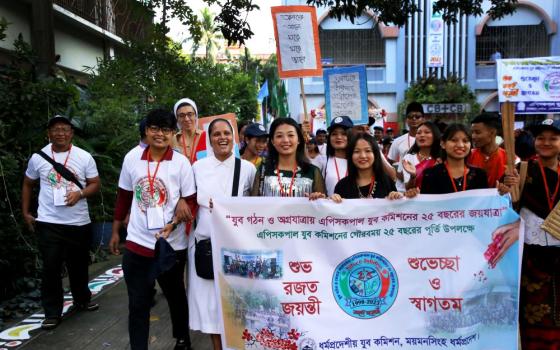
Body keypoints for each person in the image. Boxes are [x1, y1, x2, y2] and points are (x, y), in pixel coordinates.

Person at [109, 109, 195, 350]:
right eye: (155, 128)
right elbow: (124, 197)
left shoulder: (181, 163)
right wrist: (116, 231)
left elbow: (191, 201)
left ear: (173, 134)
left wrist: (175, 222)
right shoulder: (131, 158)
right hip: (137, 243)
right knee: (138, 303)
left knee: (175, 295)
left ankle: (182, 338)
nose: (160, 134)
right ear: (146, 131)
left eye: (166, 129)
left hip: (170, 245)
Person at [22, 115, 101, 330]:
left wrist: (81, 194)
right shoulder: (38, 157)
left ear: (71, 133)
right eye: (56, 129)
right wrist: (26, 212)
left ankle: (82, 299)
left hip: (78, 222)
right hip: (48, 222)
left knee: (79, 265)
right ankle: (52, 312)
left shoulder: (84, 157)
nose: (60, 133)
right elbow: (28, 184)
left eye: (65, 129)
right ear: (49, 134)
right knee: (51, 268)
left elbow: (95, 183)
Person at [189, 118, 256, 350]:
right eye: (216, 134)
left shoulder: (247, 168)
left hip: (237, 248)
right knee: (211, 309)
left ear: (234, 137)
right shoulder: (198, 168)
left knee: (238, 306)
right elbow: (188, 200)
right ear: (210, 139)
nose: (222, 138)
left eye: (226, 133)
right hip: (206, 245)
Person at [518, 119, 560, 349]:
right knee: (530, 315)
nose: (546, 143)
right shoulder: (521, 170)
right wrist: (507, 190)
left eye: (553, 138)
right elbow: (510, 206)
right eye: (540, 138)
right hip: (530, 260)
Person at [421, 124, 511, 194]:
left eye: (465, 141)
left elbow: (485, 206)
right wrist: (412, 195)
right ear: (443, 144)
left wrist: (500, 194)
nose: (460, 145)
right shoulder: (430, 174)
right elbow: (426, 208)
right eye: (454, 140)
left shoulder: (479, 175)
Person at [251, 117, 326, 197]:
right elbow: (254, 205)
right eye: (279, 136)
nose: (286, 140)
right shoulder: (263, 170)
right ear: (272, 141)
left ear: (299, 140)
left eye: (290, 135)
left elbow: (322, 205)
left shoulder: (313, 172)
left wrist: (318, 198)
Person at [331, 133, 412, 201]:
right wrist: (332, 202)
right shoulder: (342, 186)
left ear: (375, 154)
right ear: (350, 155)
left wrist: (396, 197)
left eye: (368, 151)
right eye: (356, 151)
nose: (362, 156)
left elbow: (396, 214)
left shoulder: (386, 181)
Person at [469, 112, 517, 187]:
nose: (473, 136)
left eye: (477, 132)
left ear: (492, 133)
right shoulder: (469, 156)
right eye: (472, 132)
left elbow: (514, 187)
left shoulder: (511, 158)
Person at [388, 102, 426, 191]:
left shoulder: (429, 140)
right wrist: (398, 174)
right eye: (410, 116)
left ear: (423, 119)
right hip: (401, 189)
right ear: (406, 119)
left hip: (423, 187)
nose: (414, 119)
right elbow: (390, 163)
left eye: (417, 116)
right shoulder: (398, 141)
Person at [399, 121, 441, 191]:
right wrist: (413, 176)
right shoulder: (408, 158)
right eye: (418, 133)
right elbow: (408, 188)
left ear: (435, 135)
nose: (422, 135)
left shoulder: (441, 159)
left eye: (427, 132)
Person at [323, 116, 354, 196]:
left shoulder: (358, 160)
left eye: (344, 134)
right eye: (334, 134)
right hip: (330, 207)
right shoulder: (324, 161)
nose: (339, 137)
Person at [172, 98, 206, 163]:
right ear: (177, 118)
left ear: (196, 116)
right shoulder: (173, 140)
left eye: (190, 114)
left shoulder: (207, 137)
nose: (186, 119)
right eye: (181, 116)